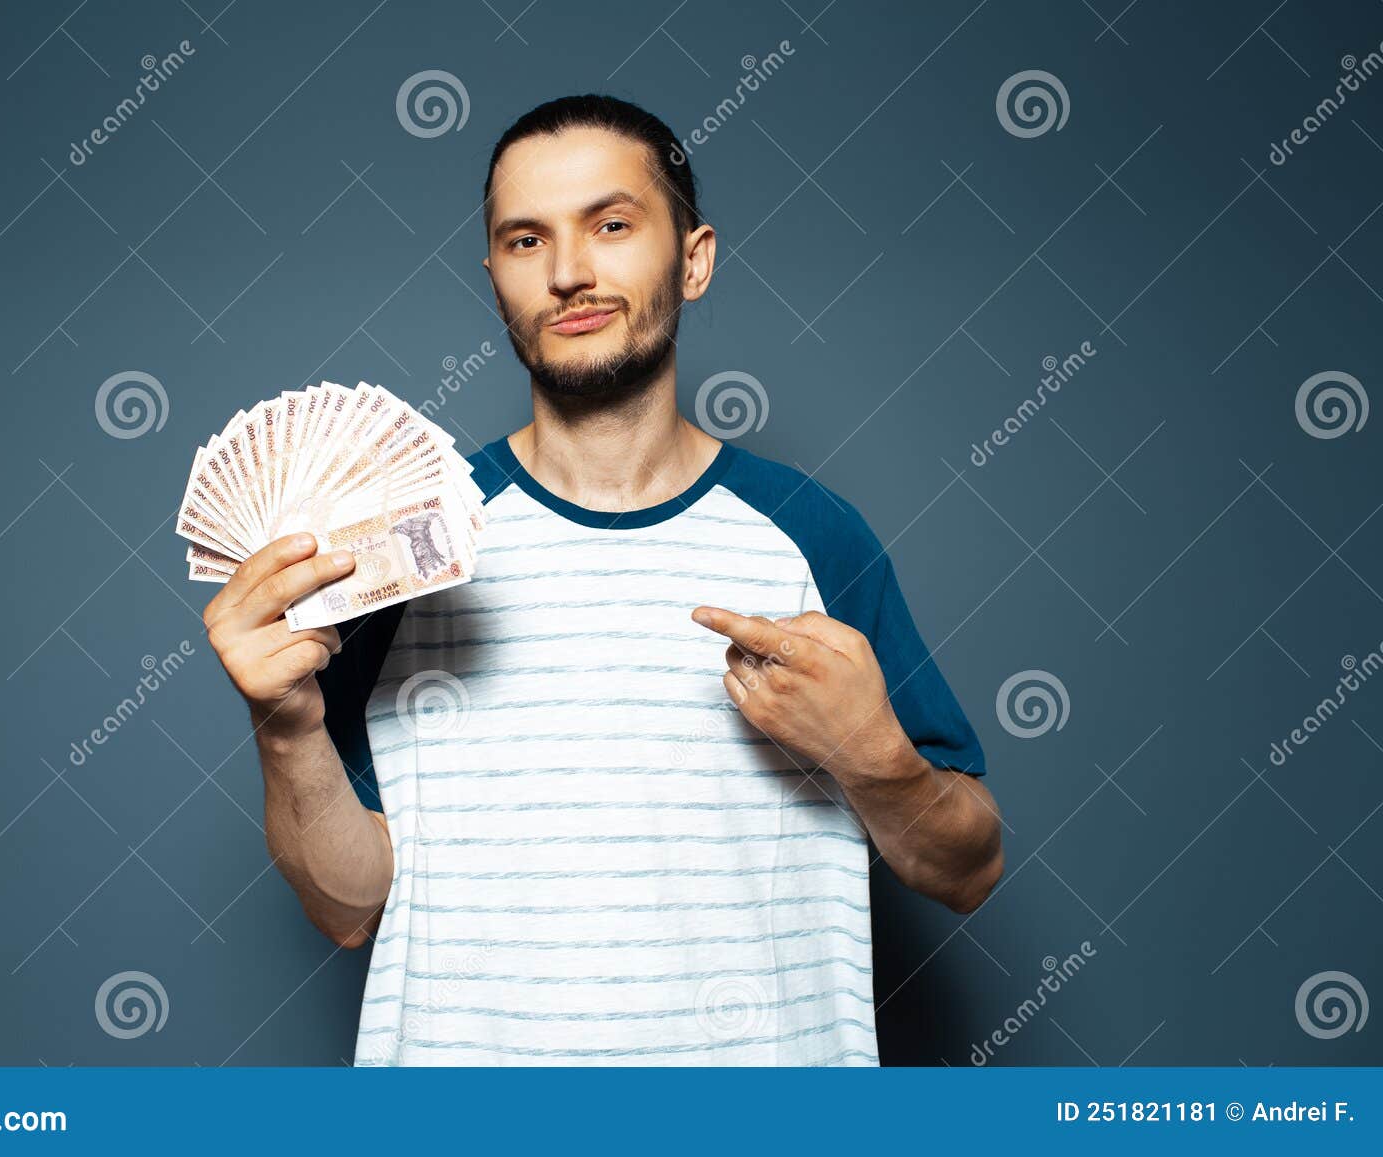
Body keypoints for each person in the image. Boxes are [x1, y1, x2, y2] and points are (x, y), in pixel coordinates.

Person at [201, 94, 1003, 1065]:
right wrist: (282, 723)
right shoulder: (405, 548)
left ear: (694, 258)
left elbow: (968, 867)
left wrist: (872, 755)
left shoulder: (810, 536)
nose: (570, 272)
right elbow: (344, 905)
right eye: (526, 239)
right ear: (494, 277)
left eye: (611, 225)